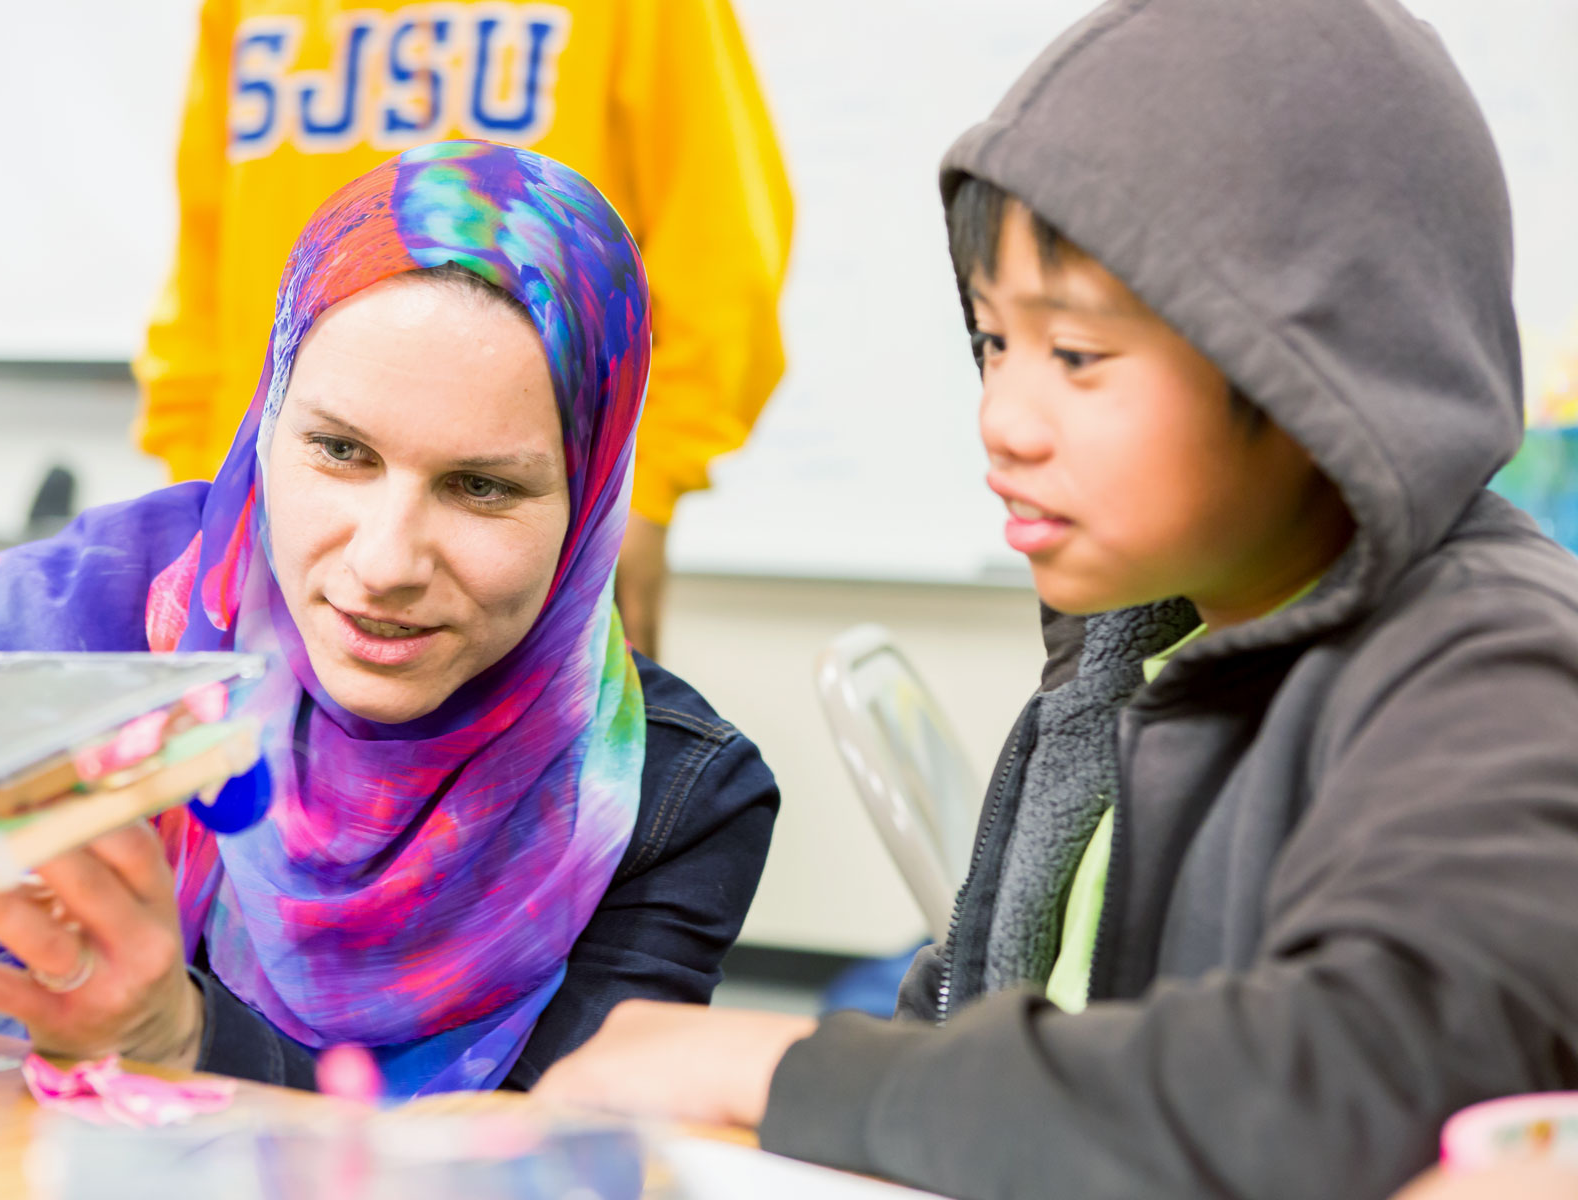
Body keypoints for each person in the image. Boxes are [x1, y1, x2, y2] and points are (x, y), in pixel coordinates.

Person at [532, 1, 1578, 1195]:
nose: (1004, 422)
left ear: (1313, 357)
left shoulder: (1496, 671)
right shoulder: (1132, 658)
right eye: (991, 345)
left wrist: (782, 1072)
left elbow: (1345, 1085)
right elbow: (971, 1024)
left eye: (1076, 356)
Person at [0, 141, 778, 1097]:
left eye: (481, 488)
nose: (384, 563)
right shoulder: (95, 612)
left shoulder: (673, 800)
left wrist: (179, 1037)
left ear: (592, 499)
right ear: (269, 421)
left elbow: (545, 1155)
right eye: (340, 451)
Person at [135, 0, 795, 659]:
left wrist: (638, 494)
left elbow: (721, 257)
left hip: (512, 535)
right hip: (263, 525)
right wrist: (201, 495)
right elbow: (204, 265)